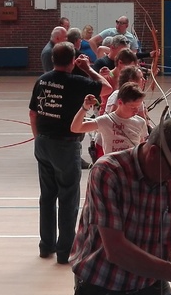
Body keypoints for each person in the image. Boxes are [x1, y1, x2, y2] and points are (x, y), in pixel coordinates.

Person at [70, 119, 171, 295]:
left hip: (152, 288)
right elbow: (116, 250)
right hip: (103, 290)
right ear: (153, 153)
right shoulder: (108, 172)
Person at [29, 42, 112, 264]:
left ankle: (46, 246)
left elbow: (33, 114)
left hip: (42, 143)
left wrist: (38, 139)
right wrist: (88, 68)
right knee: (68, 198)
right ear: (73, 61)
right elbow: (106, 88)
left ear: (53, 59)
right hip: (65, 145)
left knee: (47, 197)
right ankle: (65, 251)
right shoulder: (77, 82)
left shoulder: (42, 80)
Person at [71, 82, 149, 155]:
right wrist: (84, 108)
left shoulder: (140, 122)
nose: (136, 111)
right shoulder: (105, 120)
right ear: (120, 102)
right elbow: (76, 128)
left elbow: (141, 145)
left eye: (138, 107)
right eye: (132, 107)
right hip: (112, 163)